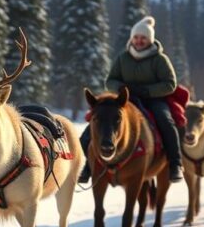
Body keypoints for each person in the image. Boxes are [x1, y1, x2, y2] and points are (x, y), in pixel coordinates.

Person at [78, 16, 183, 183]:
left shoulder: (160, 59)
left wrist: (147, 91)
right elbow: (110, 80)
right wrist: (121, 88)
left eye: (143, 38)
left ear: (150, 39)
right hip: (126, 100)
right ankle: (89, 166)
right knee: (90, 130)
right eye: (136, 37)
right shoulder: (123, 57)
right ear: (132, 38)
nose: (139, 41)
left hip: (154, 100)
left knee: (166, 122)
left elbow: (170, 84)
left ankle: (175, 164)